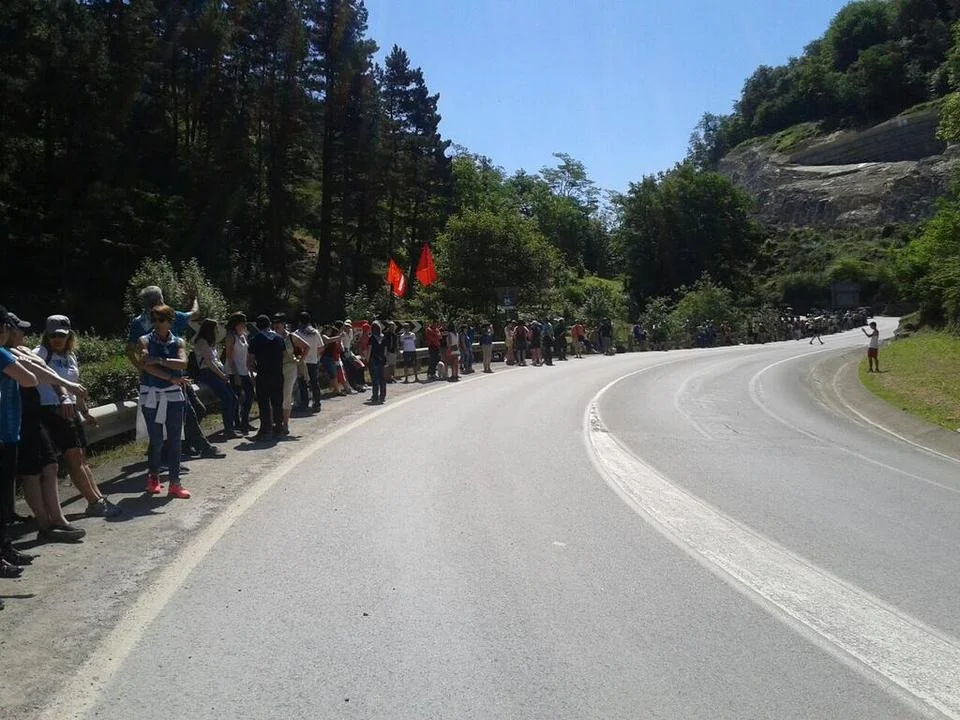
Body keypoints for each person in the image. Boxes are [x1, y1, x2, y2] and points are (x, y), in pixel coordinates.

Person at [36, 315, 121, 518]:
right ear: (46, 335)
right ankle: (94, 502)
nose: (57, 339)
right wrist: (63, 396)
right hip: (52, 410)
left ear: (69, 335)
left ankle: (98, 498)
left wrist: (84, 412)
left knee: (82, 458)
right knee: (73, 459)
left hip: (71, 410)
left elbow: (76, 388)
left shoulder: (70, 356)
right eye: (53, 335)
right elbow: (37, 372)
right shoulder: (40, 353)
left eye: (61, 335)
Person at [135, 305, 192, 498]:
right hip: (151, 395)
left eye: (161, 319)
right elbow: (145, 365)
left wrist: (158, 360)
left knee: (175, 440)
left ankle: (175, 483)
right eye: (154, 320)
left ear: (170, 321)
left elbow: (182, 363)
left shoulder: (179, 342)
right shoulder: (144, 340)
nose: (157, 323)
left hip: (173, 395)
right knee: (157, 440)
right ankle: (153, 477)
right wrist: (171, 376)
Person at [1, 308, 41, 582]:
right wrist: (20, 359)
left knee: (5, 502)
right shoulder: (2, 354)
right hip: (3, 434)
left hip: (8, 432)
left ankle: (5, 550)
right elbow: (30, 379)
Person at [193, 318, 239, 439]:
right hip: (209, 373)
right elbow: (209, 363)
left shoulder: (211, 342)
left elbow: (216, 360)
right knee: (227, 398)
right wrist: (221, 375)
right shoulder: (202, 342)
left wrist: (223, 372)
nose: (217, 331)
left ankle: (231, 427)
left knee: (233, 398)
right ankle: (229, 430)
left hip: (217, 372)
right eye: (216, 328)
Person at [248, 314, 285, 441]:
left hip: (263, 374)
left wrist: (252, 374)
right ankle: (278, 428)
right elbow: (284, 354)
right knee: (277, 402)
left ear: (258, 326)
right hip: (278, 374)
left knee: (264, 403)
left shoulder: (256, 339)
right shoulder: (279, 338)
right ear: (269, 324)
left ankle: (265, 430)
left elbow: (250, 360)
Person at [273, 313, 309, 436]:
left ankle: (285, 423)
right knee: (275, 395)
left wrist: (300, 361)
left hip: (289, 367)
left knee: (286, 395)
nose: (276, 325)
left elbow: (307, 347)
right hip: (275, 368)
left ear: (284, 324)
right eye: (274, 322)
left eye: (279, 322)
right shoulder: (271, 336)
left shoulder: (291, 337)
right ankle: (275, 422)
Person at [224, 312, 255, 434]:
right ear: (236, 323)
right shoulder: (231, 337)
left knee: (250, 394)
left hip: (244, 370)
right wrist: (236, 374)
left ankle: (244, 421)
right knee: (237, 398)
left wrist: (250, 372)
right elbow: (229, 357)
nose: (244, 324)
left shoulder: (243, 335)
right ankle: (238, 423)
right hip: (234, 371)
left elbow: (247, 355)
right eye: (242, 322)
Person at [296, 312, 323, 411]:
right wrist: (315, 354)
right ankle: (317, 403)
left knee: (302, 383)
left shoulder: (297, 333)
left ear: (300, 321)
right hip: (313, 361)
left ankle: (304, 403)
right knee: (314, 383)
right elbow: (321, 347)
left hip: (302, 361)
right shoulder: (315, 332)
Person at [368, 321, 387, 404]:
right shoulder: (383, 337)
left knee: (375, 378)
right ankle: (382, 395)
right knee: (382, 378)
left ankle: (375, 396)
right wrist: (384, 357)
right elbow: (385, 349)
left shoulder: (372, 338)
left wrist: (367, 360)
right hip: (381, 359)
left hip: (373, 359)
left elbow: (369, 350)